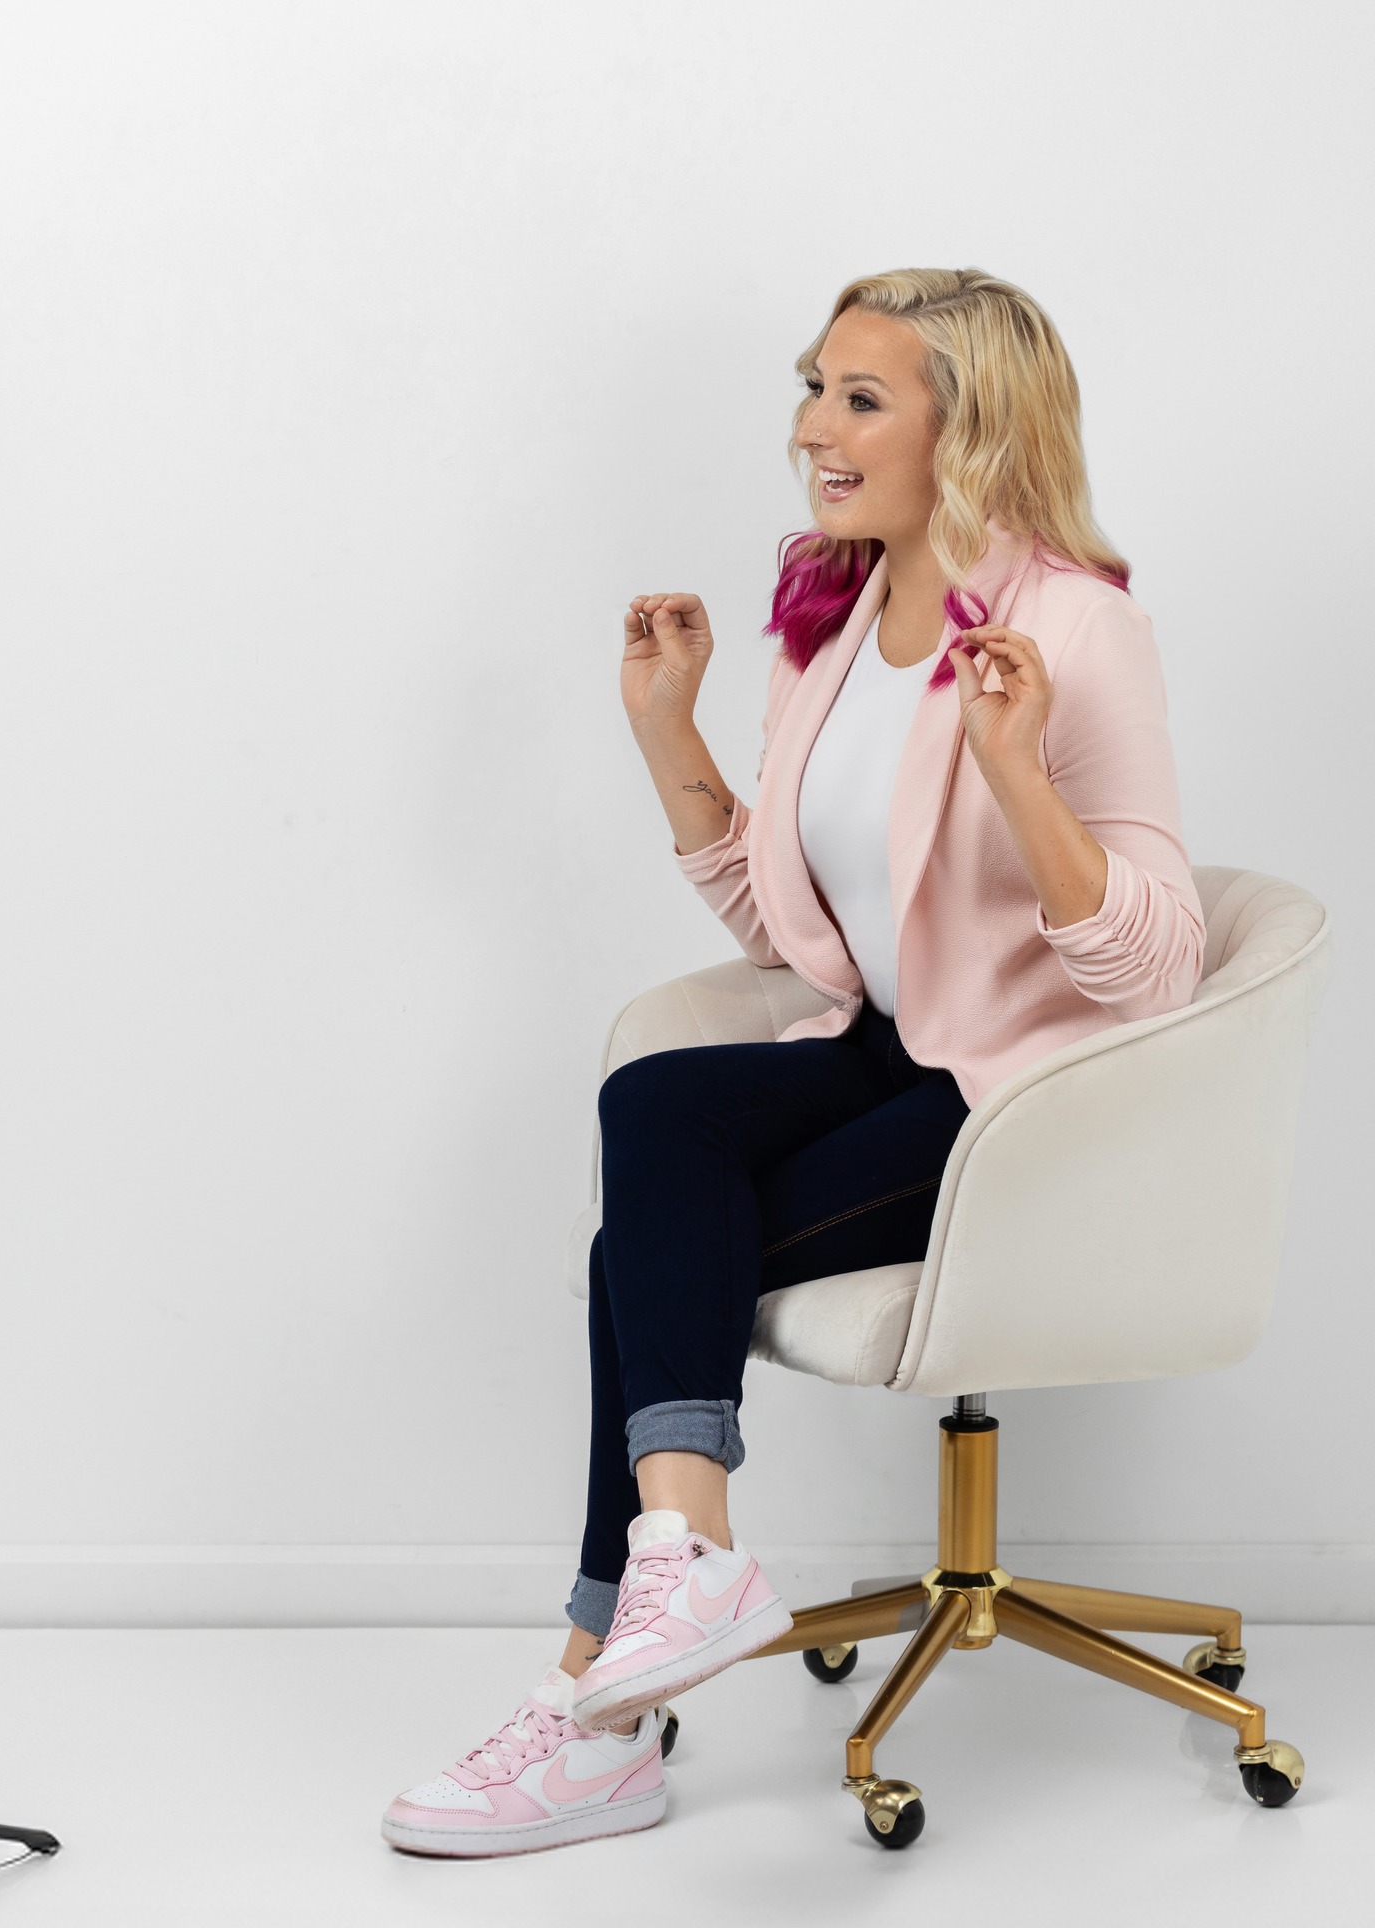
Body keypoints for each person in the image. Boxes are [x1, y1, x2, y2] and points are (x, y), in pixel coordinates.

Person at [381, 268, 1203, 1858]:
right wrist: (666, 731)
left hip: (1030, 1098)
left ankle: (600, 1705)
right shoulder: (832, 624)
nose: (813, 430)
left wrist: (1021, 776)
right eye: (814, 388)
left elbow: (1158, 965)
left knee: (638, 1256)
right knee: (655, 1102)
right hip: (886, 1046)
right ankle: (680, 1570)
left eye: (860, 399)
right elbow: (796, 931)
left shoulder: (1080, 627)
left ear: (972, 429)